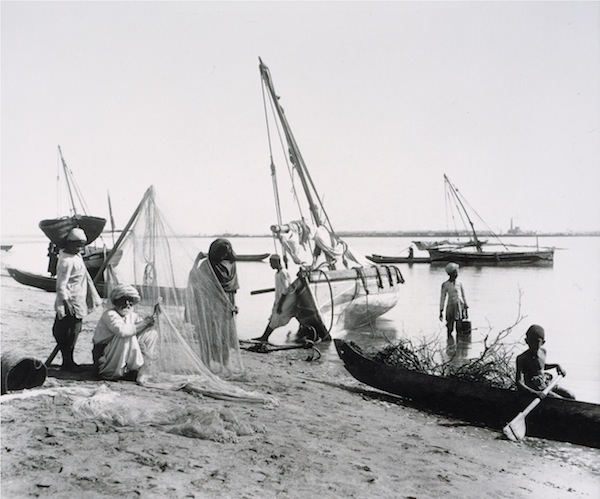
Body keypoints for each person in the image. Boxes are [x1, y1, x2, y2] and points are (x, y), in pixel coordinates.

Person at [184, 238, 244, 377]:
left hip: (211, 306)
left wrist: (196, 261)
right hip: (225, 306)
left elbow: (194, 278)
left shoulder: (208, 265)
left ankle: (206, 365)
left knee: (208, 334)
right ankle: (225, 364)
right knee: (224, 335)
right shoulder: (232, 265)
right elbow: (233, 289)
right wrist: (233, 305)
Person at [52, 227, 103, 371]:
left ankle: (69, 360)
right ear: (68, 244)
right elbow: (61, 285)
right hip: (70, 300)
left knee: (75, 330)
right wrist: (67, 302)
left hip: (78, 298)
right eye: (77, 245)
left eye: (82, 245)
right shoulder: (66, 261)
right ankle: (67, 361)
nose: (80, 248)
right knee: (67, 331)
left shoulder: (77, 257)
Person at [92, 284, 159, 384]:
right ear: (116, 301)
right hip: (105, 358)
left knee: (151, 333)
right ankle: (116, 371)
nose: (127, 303)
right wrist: (145, 322)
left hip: (119, 353)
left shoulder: (132, 316)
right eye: (123, 300)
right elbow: (123, 331)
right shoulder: (110, 314)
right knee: (126, 334)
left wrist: (154, 317)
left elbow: (144, 328)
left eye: (130, 300)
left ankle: (135, 369)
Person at [515, 324, 575, 399]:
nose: (533, 344)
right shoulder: (522, 358)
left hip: (546, 383)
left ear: (543, 342)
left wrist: (557, 365)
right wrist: (535, 393)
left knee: (570, 395)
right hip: (536, 387)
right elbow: (519, 382)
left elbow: (541, 366)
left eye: (537, 341)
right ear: (526, 341)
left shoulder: (543, 352)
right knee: (559, 399)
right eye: (531, 340)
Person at [252, 254, 295, 343]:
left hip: (283, 301)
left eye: (271, 263)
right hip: (279, 300)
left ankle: (264, 337)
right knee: (272, 318)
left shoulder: (282, 273)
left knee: (275, 319)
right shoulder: (279, 273)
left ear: (276, 262)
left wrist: (280, 305)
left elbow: (285, 290)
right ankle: (264, 337)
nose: (270, 265)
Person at [439, 262, 468, 337]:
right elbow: (442, 298)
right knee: (450, 327)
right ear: (451, 274)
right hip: (451, 306)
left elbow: (463, 296)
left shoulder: (459, 283)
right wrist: (441, 310)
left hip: (459, 306)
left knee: (459, 327)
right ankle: (450, 343)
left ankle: (459, 344)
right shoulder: (445, 285)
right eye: (455, 272)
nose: (457, 274)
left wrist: (466, 307)